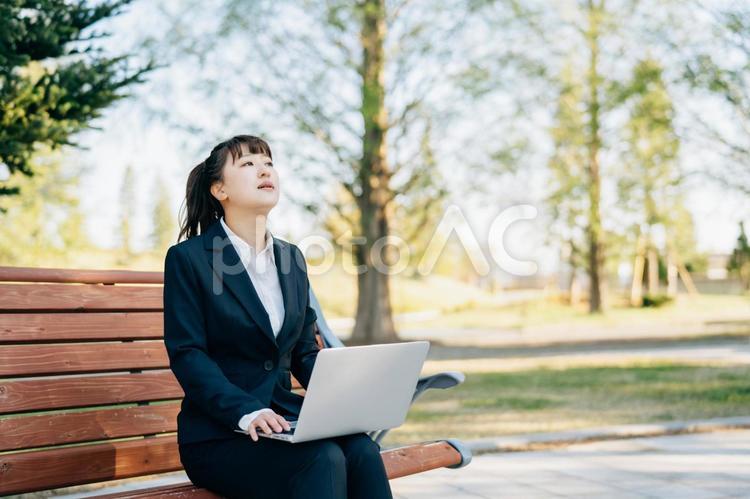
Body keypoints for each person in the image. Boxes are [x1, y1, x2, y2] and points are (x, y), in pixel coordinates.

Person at [163, 134, 394, 499]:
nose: (264, 170)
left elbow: (303, 352)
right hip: (221, 434)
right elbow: (188, 353)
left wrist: (352, 398)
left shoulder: (291, 259)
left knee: (362, 450)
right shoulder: (189, 259)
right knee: (322, 458)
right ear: (219, 189)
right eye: (248, 164)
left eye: (268, 163)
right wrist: (246, 410)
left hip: (285, 423)